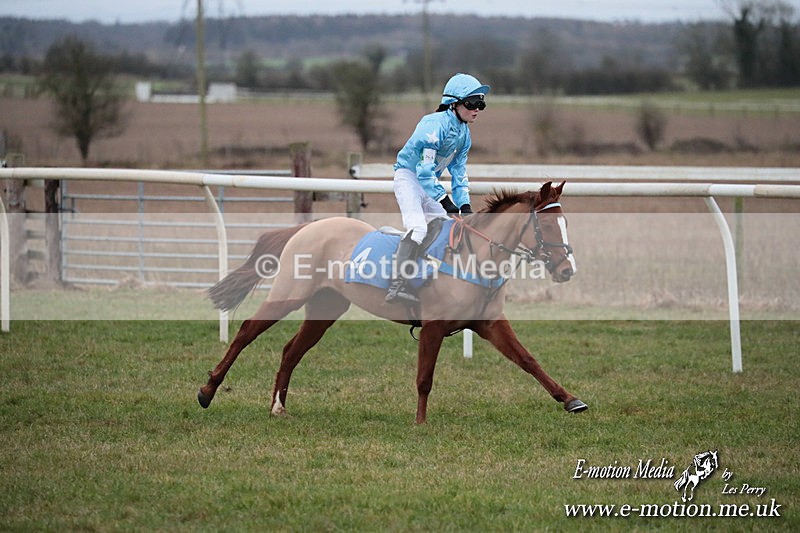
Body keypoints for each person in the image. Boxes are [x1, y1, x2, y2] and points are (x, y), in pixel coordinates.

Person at [385, 73, 489, 304]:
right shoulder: (433, 125)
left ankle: (432, 278)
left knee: (446, 227)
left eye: (481, 104)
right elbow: (423, 171)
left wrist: (464, 205)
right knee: (418, 228)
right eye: (472, 103)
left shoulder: (464, 133)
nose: (477, 109)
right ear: (454, 103)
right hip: (409, 178)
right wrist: (445, 200)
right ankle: (397, 284)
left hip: (428, 183)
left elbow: (459, 173)